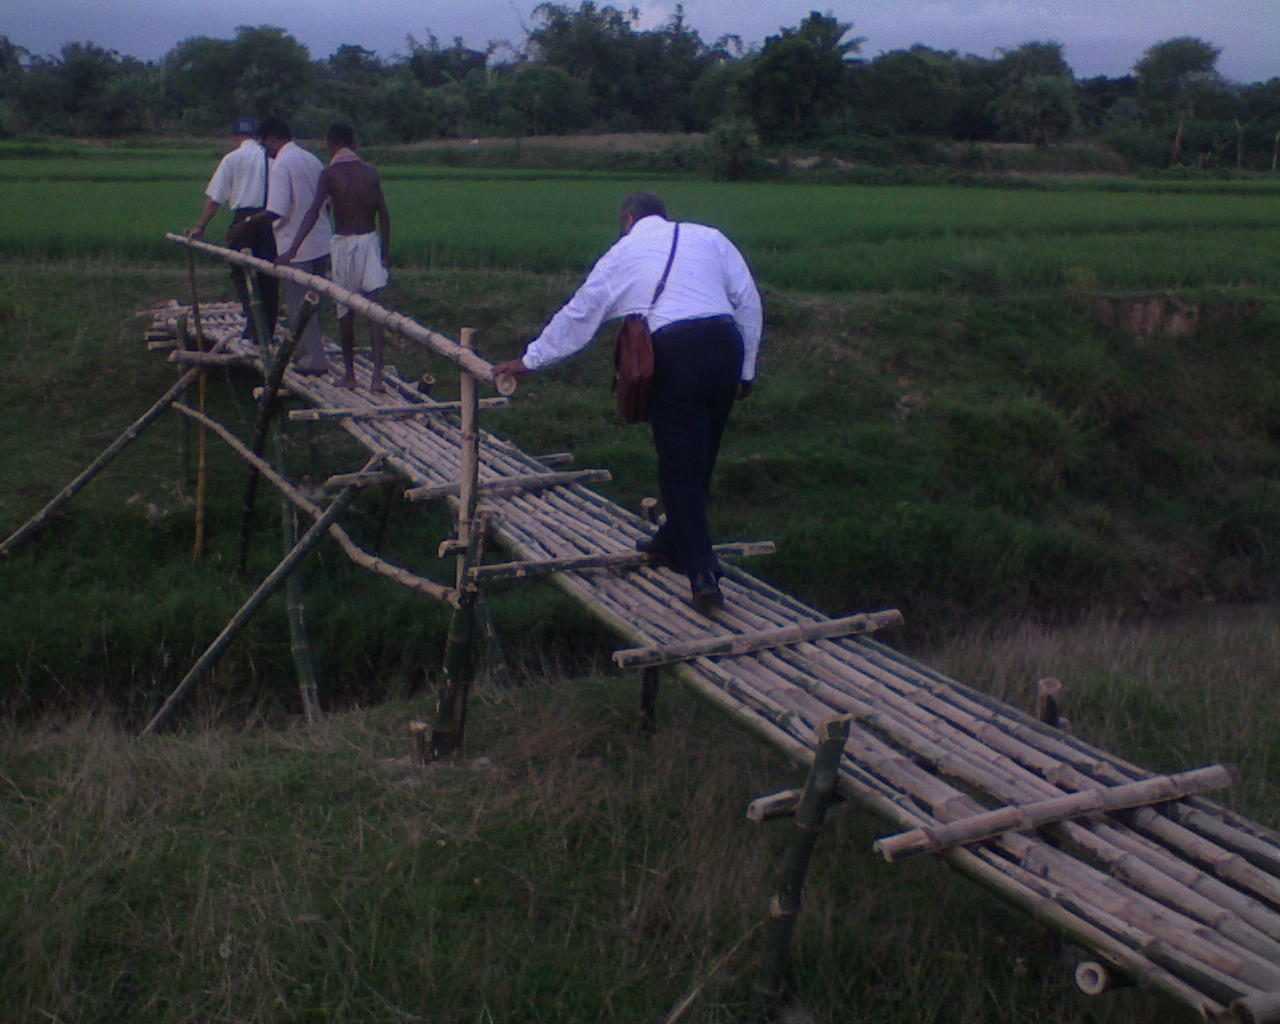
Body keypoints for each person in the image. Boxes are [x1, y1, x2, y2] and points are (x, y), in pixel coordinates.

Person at [495, 191, 762, 614]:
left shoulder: (624, 251)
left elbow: (581, 313)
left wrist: (530, 361)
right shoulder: (710, 238)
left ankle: (702, 572)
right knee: (701, 458)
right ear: (665, 215)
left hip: (676, 352)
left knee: (679, 467)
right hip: (724, 344)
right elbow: (748, 300)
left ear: (628, 218)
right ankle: (672, 539)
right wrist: (746, 369)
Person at [277, 122, 392, 392]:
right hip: (369, 242)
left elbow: (312, 213)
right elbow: (384, 216)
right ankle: (377, 377)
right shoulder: (370, 172)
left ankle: (350, 376)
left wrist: (292, 251)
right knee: (374, 312)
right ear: (355, 145)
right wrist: (385, 255)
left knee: (345, 311)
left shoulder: (329, 174)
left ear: (331, 146)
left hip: (342, 245)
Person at [235, 116, 332, 374]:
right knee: (313, 304)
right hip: (321, 242)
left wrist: (247, 222)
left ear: (273, 139)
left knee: (300, 306)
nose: (265, 149)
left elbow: (276, 210)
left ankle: (312, 361)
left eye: (265, 143)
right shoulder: (312, 159)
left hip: (296, 246)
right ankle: (313, 354)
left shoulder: (282, 163)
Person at [185, 117, 278, 341]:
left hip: (243, 220)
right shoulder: (272, 158)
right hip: (269, 219)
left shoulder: (232, 158)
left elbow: (216, 197)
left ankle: (253, 324)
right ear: (257, 136)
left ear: (236, 137)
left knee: (240, 273)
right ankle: (268, 329)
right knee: (269, 275)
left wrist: (201, 226)